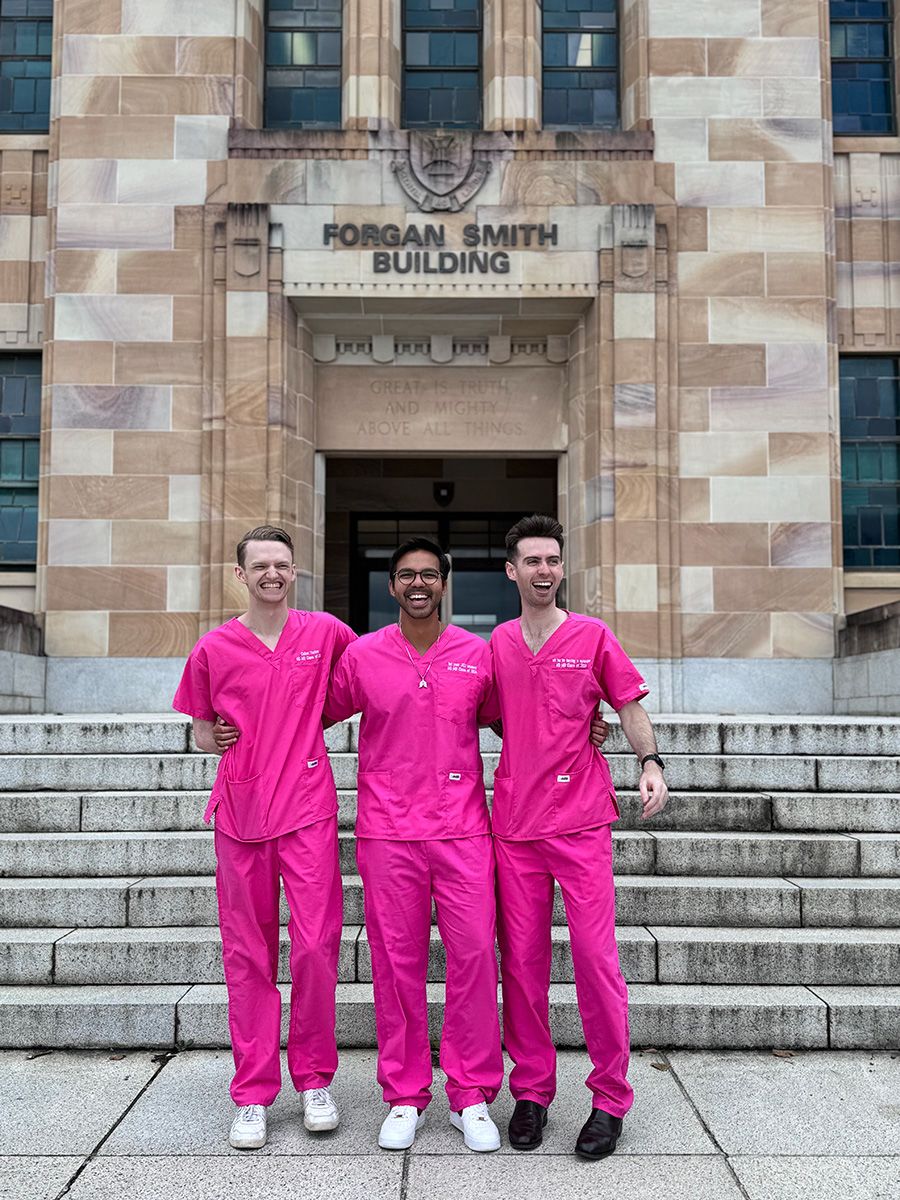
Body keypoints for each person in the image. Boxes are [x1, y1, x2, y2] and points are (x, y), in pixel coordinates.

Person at [487, 513, 668, 1161]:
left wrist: (650, 762)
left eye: (551, 561)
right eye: (531, 561)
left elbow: (627, 705)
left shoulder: (591, 636)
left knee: (595, 962)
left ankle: (609, 1099)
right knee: (523, 966)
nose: (543, 570)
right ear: (511, 571)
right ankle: (531, 1091)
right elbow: (484, 716)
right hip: (512, 827)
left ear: (562, 569)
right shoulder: (498, 644)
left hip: (582, 821)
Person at [172, 525, 356, 1151]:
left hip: (306, 811)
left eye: (282, 564)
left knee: (313, 948)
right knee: (248, 956)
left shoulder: (325, 633)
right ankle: (252, 1092)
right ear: (241, 575)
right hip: (242, 815)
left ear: (294, 571)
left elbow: (372, 675)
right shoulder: (215, 648)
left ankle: (313, 1080)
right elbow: (199, 729)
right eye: (260, 566)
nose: (272, 574)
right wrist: (212, 738)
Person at [324, 537, 504, 1153]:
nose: (419, 584)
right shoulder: (363, 656)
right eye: (407, 576)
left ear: (445, 582)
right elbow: (303, 713)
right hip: (387, 831)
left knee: (476, 955)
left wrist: (588, 721)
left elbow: (524, 719)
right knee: (395, 964)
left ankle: (471, 1094)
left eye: (430, 574)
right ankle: (404, 1094)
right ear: (392, 586)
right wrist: (228, 720)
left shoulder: (477, 655)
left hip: (462, 831)